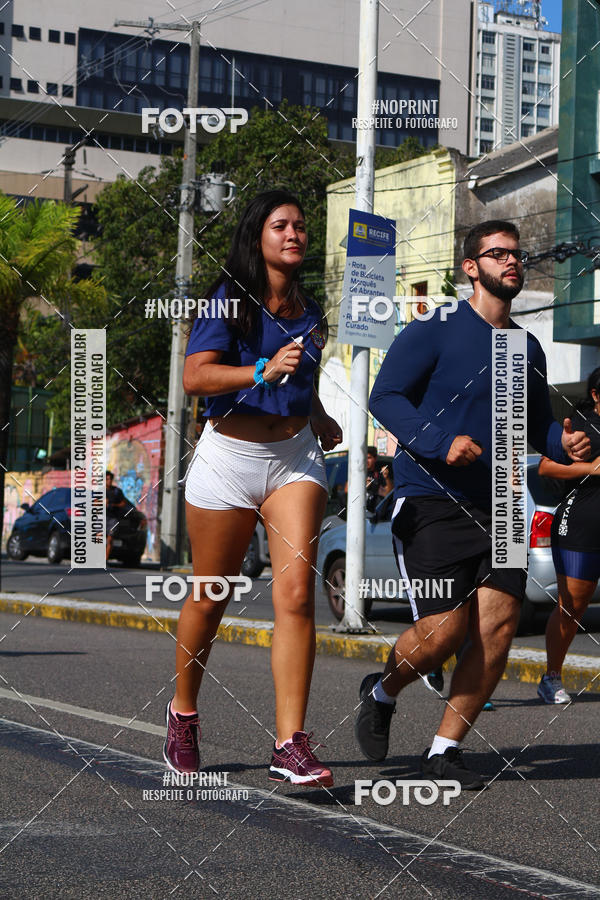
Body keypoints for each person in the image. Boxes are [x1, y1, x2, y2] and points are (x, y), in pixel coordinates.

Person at [354, 219, 590, 789]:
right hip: (432, 495)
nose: (513, 262)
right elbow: (384, 396)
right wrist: (440, 442)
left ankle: (444, 748)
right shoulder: (434, 329)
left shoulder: (524, 346)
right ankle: (383, 690)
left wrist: (566, 441)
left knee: (499, 626)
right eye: (499, 254)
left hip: (504, 499)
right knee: (442, 633)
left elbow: (536, 429)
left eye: (517, 255)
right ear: (471, 267)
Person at [163, 190, 342, 786]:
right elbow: (196, 377)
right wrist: (261, 370)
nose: (294, 234)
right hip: (229, 457)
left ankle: (290, 743)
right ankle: (183, 712)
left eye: (300, 226)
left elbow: (298, 375)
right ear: (257, 237)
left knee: (295, 597)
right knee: (210, 595)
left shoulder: (310, 308)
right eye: (281, 225)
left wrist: (314, 412)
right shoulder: (226, 301)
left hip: (293, 459)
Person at [536, 367, 600, 703]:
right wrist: (590, 468)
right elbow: (545, 466)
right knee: (572, 606)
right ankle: (551, 677)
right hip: (580, 526)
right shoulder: (581, 423)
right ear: (595, 395)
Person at [105, 470, 127, 562]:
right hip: (101, 518)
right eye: (106, 479)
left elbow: (123, 503)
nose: (108, 481)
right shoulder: (99, 491)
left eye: (110, 479)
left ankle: (105, 560)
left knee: (110, 539)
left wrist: (113, 505)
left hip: (113, 518)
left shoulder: (117, 491)